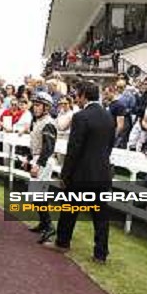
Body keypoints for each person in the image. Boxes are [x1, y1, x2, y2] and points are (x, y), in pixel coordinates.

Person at [50, 80, 115, 263]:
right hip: (102, 173)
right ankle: (100, 254)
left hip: (81, 174)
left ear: (84, 95)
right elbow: (109, 147)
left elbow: (74, 149)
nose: (76, 98)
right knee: (101, 216)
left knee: (69, 210)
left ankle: (62, 243)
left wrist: (65, 174)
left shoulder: (81, 117)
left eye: (77, 94)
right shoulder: (108, 116)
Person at [22, 91, 57, 243]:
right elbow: (34, 144)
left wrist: (38, 164)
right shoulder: (35, 121)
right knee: (35, 195)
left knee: (38, 195)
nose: (35, 108)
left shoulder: (48, 123)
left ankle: (49, 226)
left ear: (46, 108)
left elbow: (48, 148)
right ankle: (44, 223)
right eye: (34, 105)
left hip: (44, 160)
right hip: (37, 158)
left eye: (38, 105)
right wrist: (29, 159)